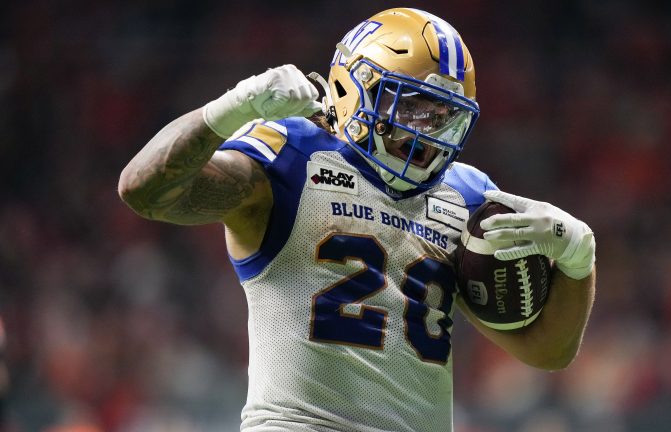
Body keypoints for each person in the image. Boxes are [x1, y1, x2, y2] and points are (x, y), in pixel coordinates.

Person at [118, 7, 596, 432]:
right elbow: (144, 190)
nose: (425, 132)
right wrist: (228, 109)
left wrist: (578, 260)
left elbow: (547, 352)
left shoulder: (465, 196)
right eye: (410, 106)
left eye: (442, 117)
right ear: (353, 87)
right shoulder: (292, 157)